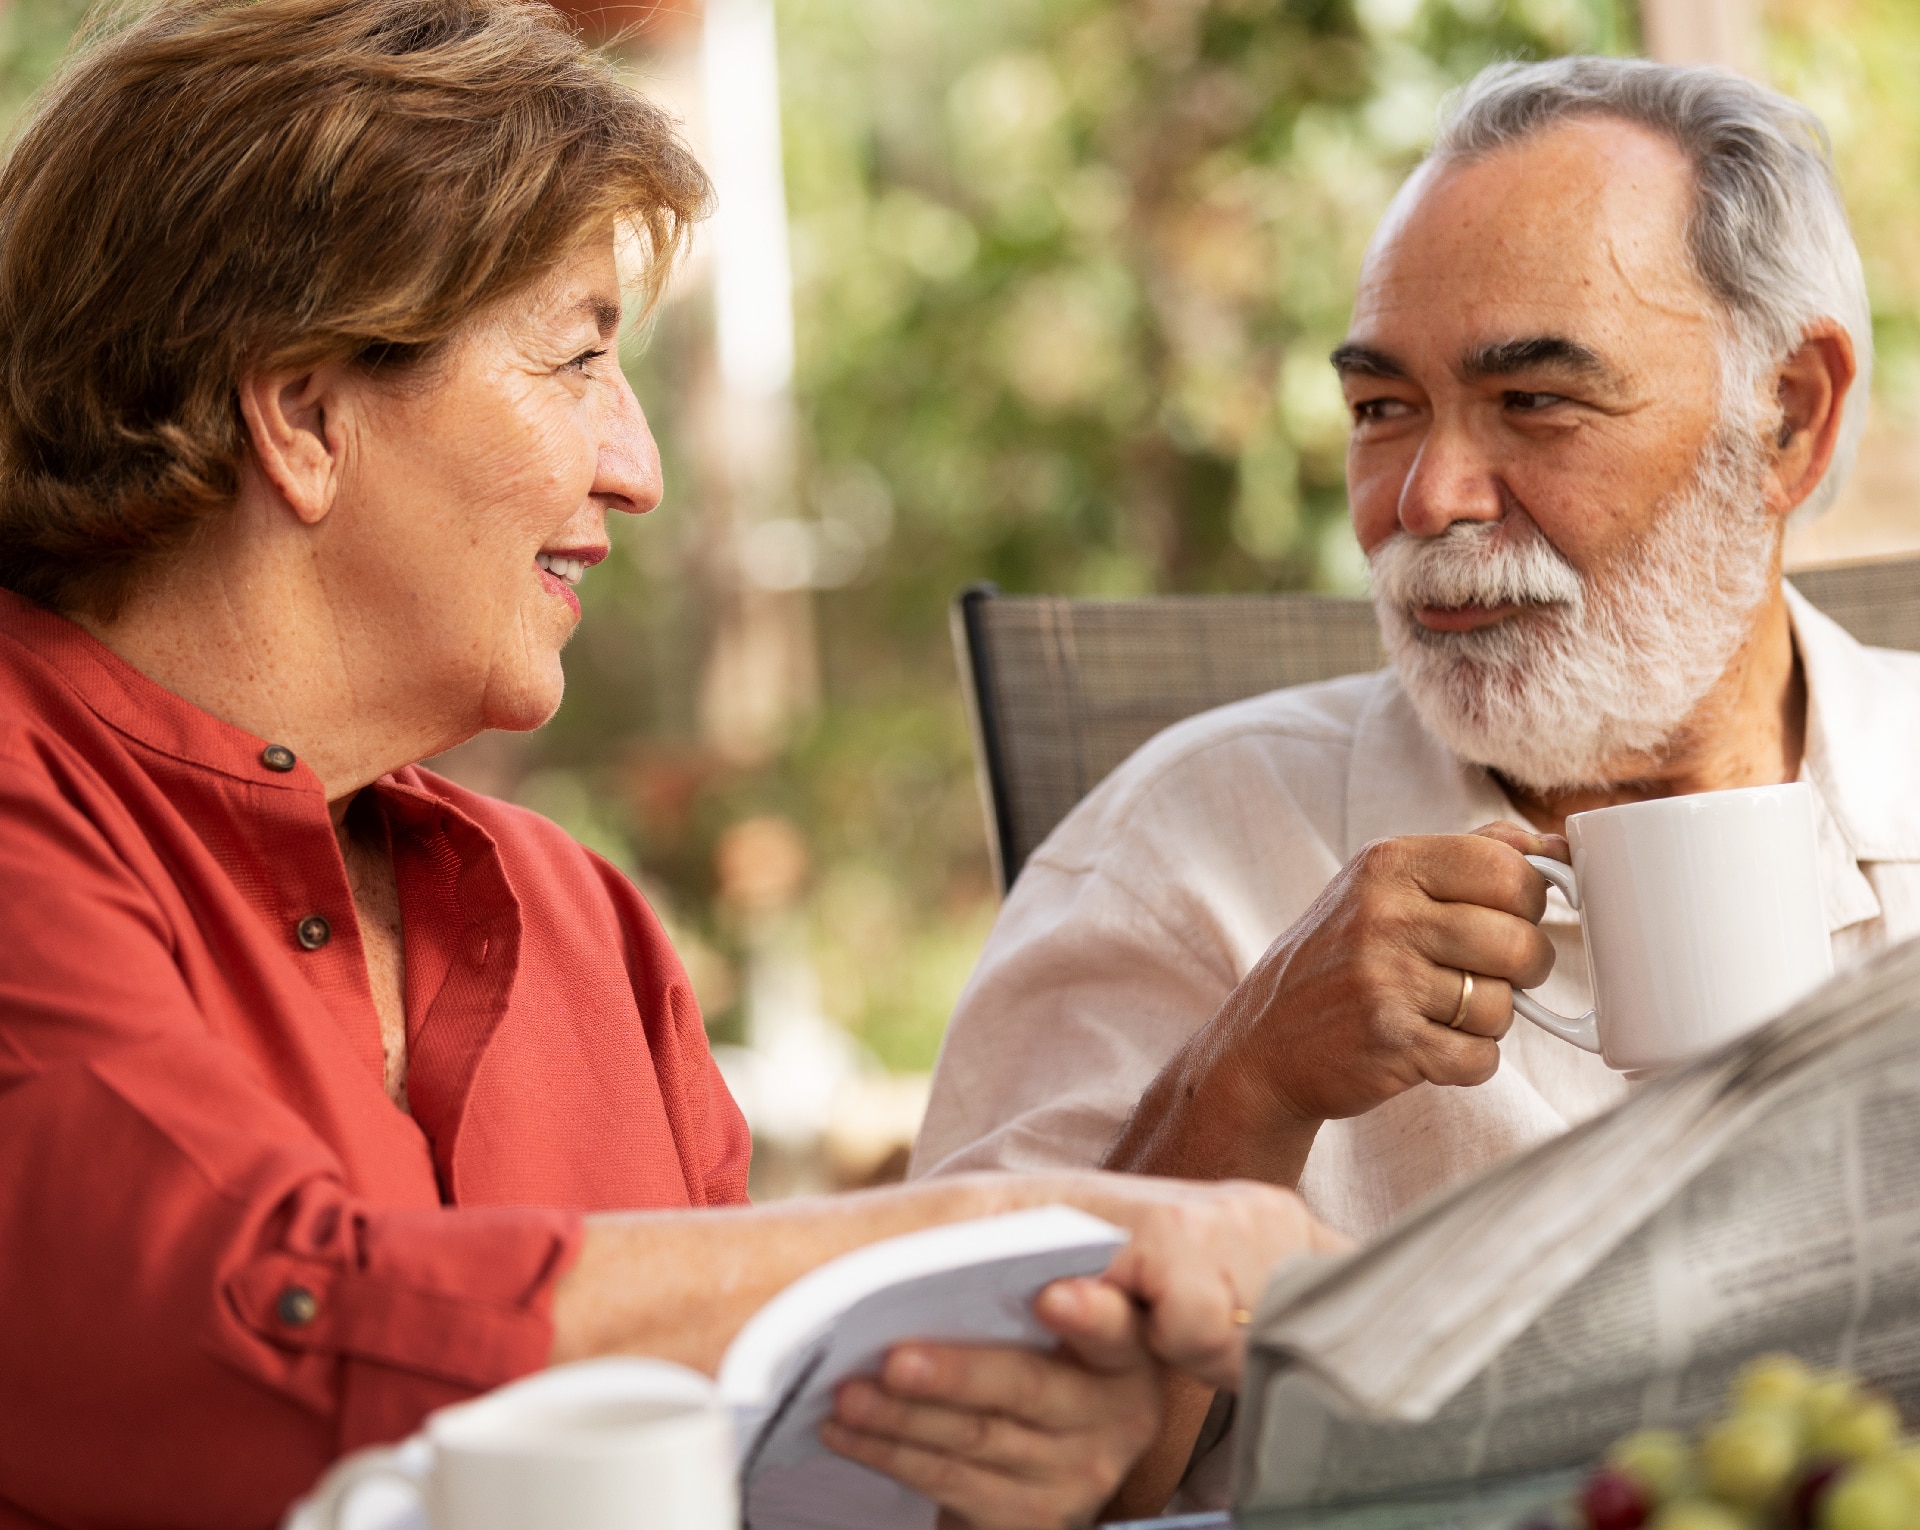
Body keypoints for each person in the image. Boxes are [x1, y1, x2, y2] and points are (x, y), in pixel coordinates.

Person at [0, 3, 1343, 1527]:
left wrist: (963, 1454)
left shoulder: (584, 926)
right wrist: (1013, 1222)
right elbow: (246, 1334)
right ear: (304, 410)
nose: (636, 469)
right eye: (575, 360)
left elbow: (750, 1462)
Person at [911, 55, 1920, 1501]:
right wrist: (1241, 1080)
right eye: (1384, 409)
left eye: (1533, 402)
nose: (1428, 500)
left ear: (1791, 416)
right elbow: (965, 1487)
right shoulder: (1187, 842)